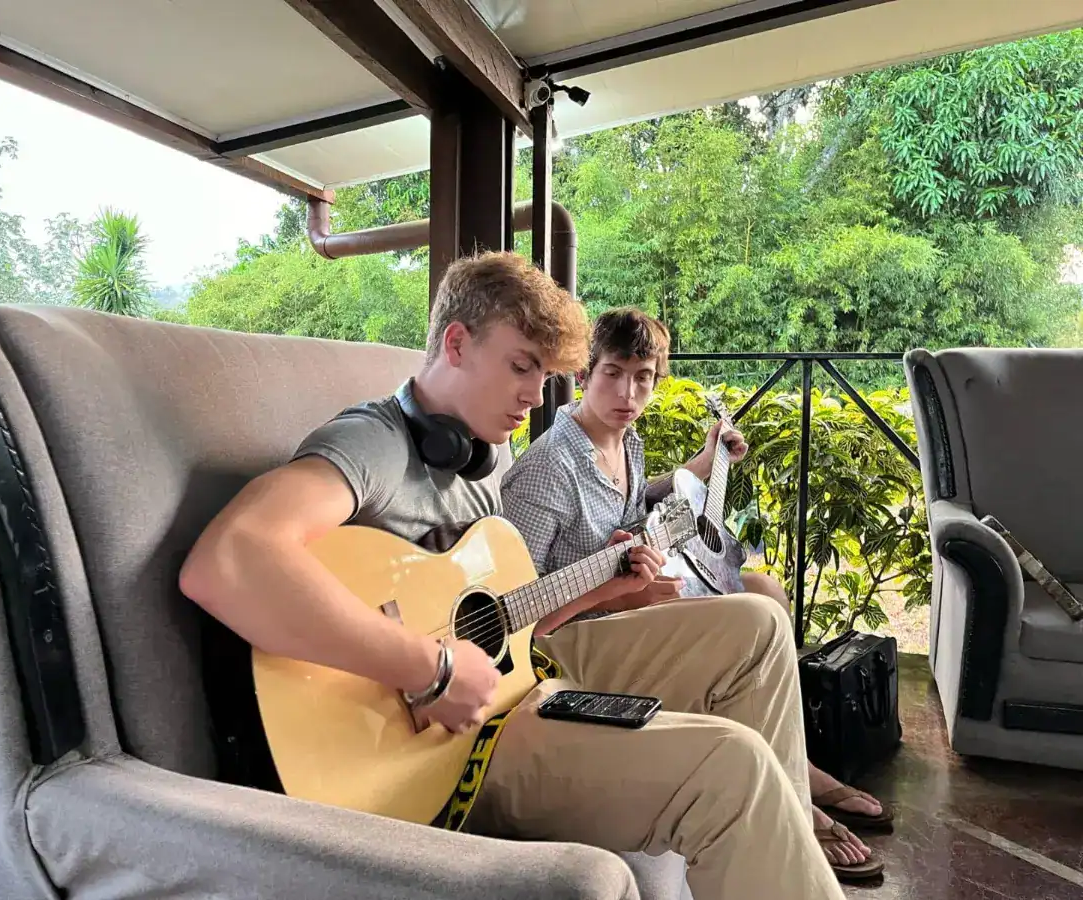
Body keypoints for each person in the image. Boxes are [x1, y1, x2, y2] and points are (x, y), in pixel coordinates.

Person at [180, 253, 844, 900]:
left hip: (519, 681)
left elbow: (505, 625)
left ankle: (792, 826)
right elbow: (229, 560)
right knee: (733, 766)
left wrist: (604, 587)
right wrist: (428, 668)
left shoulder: (475, 459)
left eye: (546, 373)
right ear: (458, 343)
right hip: (451, 747)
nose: (535, 395)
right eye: (522, 367)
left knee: (756, 625)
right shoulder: (376, 443)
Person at [500, 307, 890, 883]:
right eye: (612, 374)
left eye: (643, 378)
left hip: (621, 611)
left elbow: (644, 515)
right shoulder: (546, 470)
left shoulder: (624, 444)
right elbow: (513, 612)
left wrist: (709, 462)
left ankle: (793, 782)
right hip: (561, 646)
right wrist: (615, 597)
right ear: (583, 374)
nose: (626, 393)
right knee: (755, 618)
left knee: (762, 594)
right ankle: (794, 796)